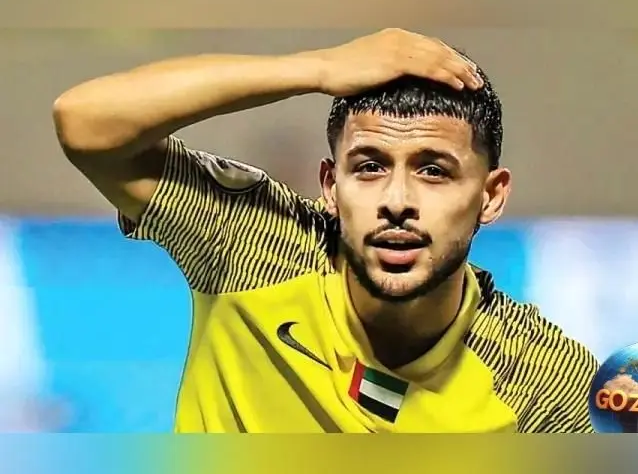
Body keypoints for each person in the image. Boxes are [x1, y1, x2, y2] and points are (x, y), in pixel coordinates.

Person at [53, 28, 598, 433]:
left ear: (491, 195)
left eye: (433, 171)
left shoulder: (545, 383)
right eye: (370, 167)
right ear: (330, 187)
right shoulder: (253, 246)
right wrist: (317, 68)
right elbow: (85, 122)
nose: (397, 202)